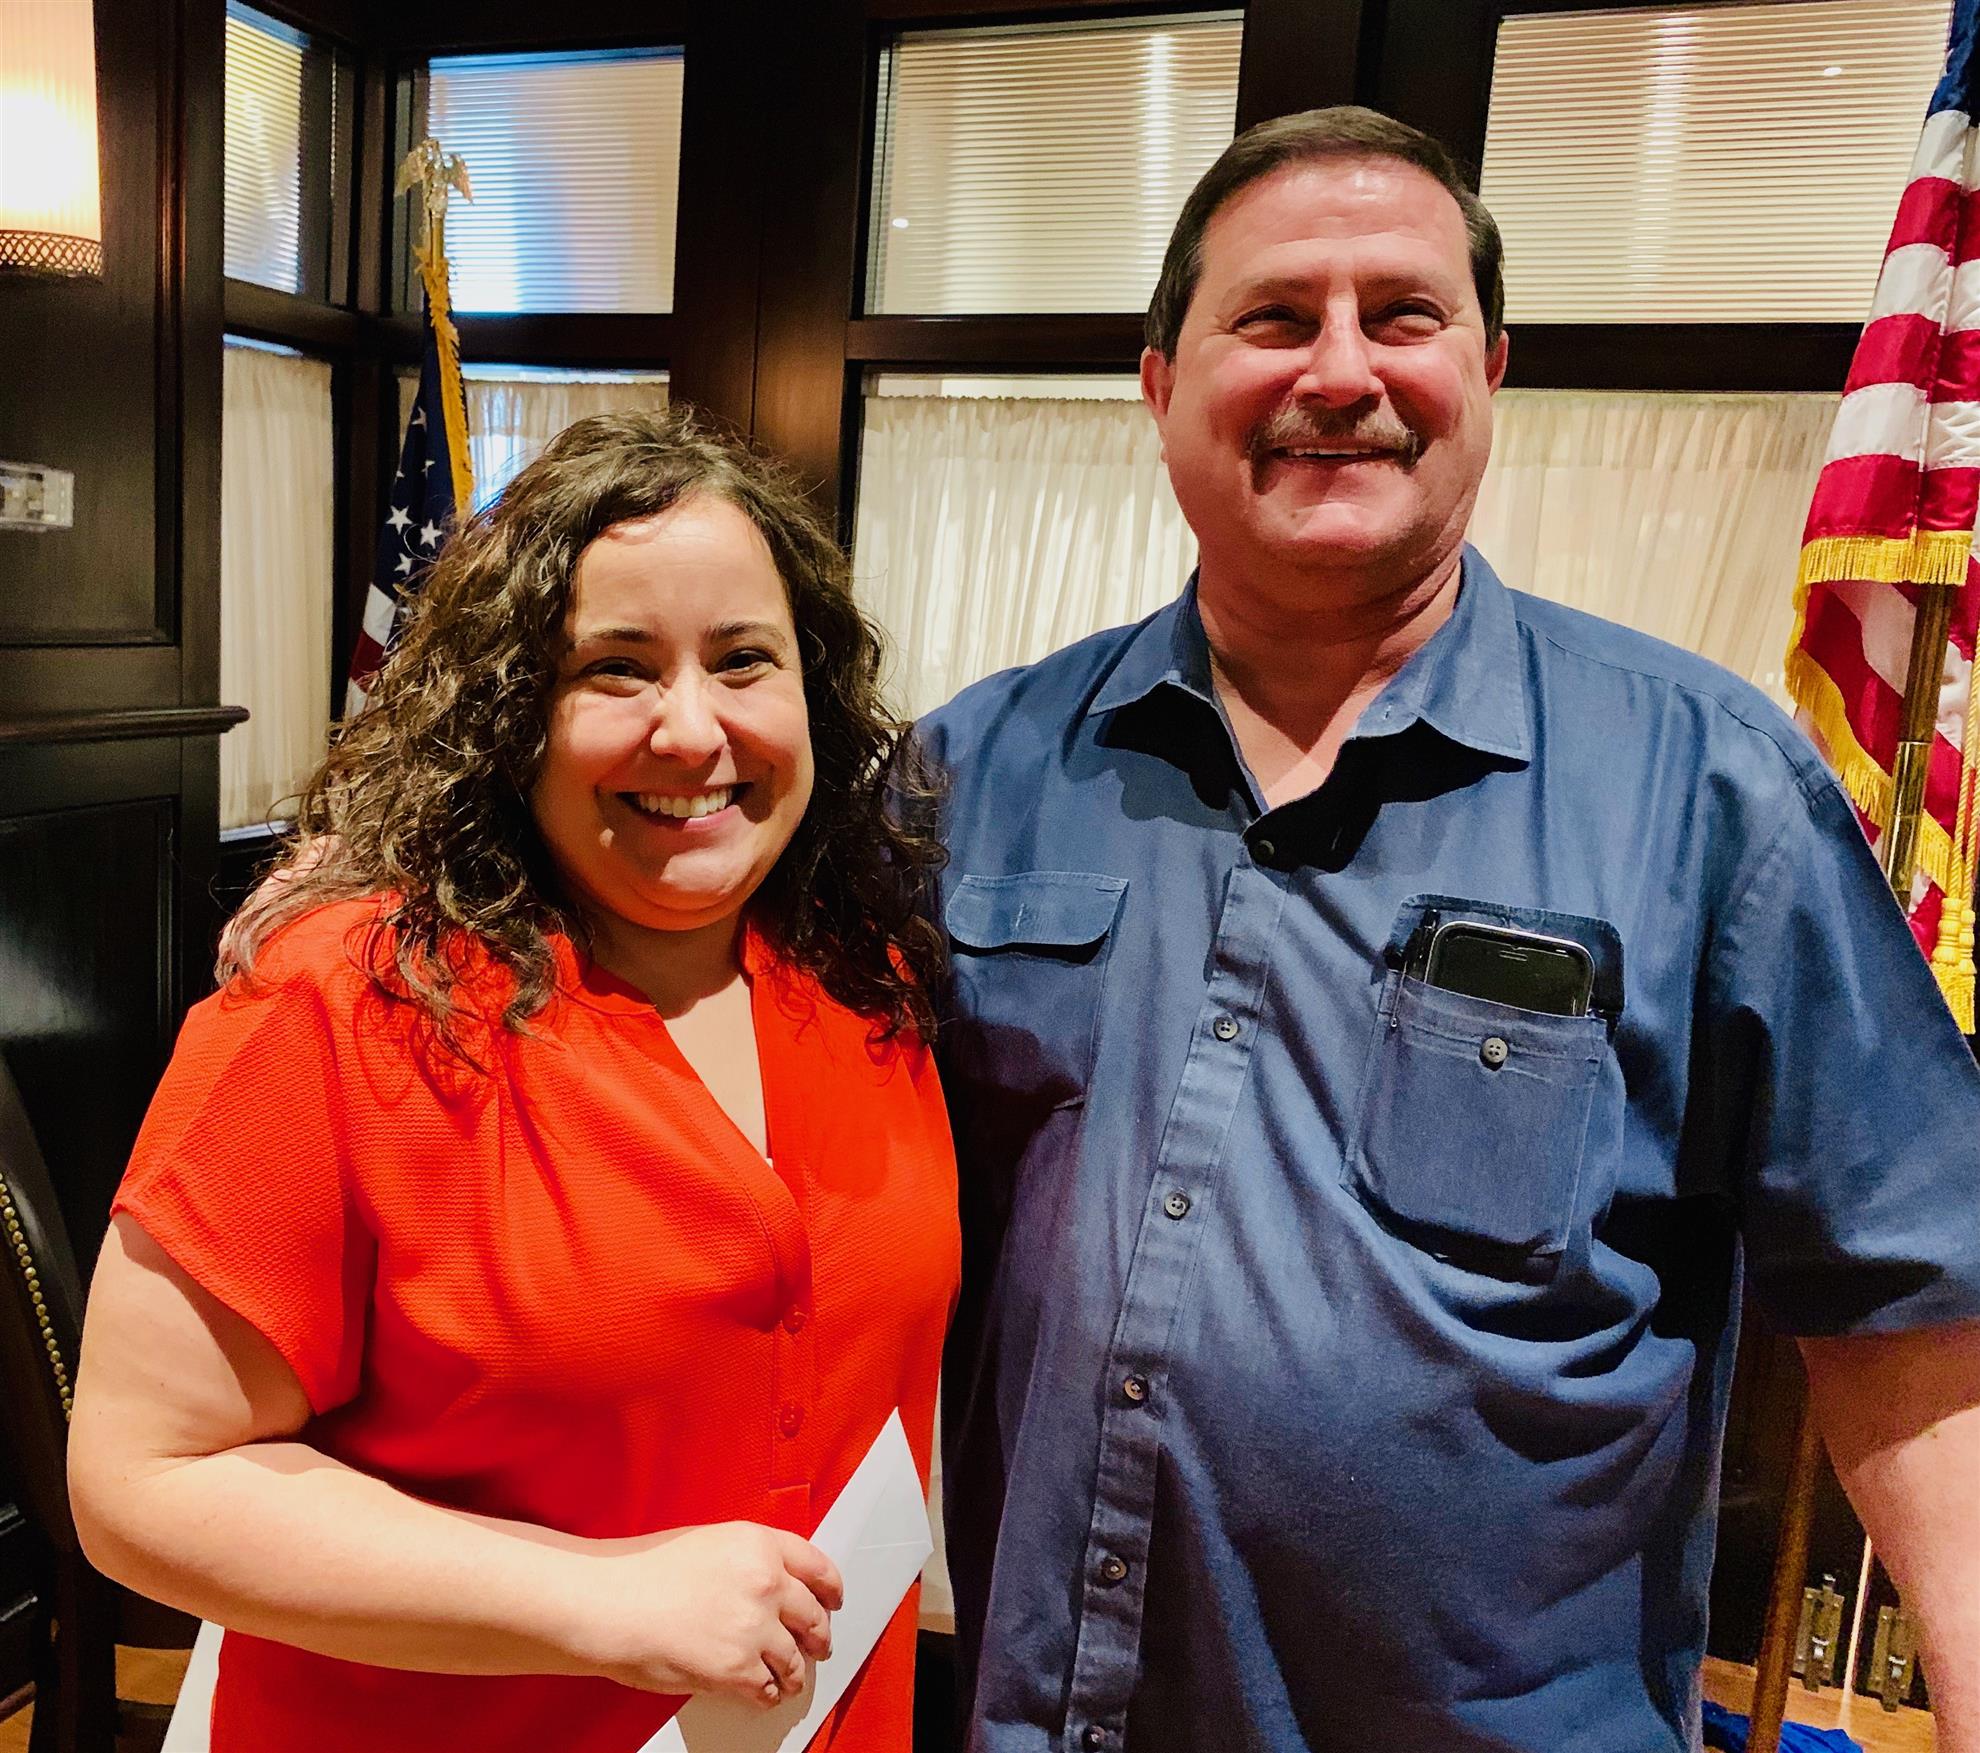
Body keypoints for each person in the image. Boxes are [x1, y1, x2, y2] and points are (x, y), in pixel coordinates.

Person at [920, 106, 1980, 1752]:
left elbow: (1915, 1312)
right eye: (1276, 316)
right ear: (1160, 384)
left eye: (1402, 315)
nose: (1341, 370)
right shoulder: (970, 776)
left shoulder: (1709, 787)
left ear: (1487, 370)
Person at [66, 410, 960, 1753]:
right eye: (616, 668)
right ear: (511, 713)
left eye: (743, 660)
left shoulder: (861, 975)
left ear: (813, 691)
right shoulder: (346, 1001)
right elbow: (141, 1481)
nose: (693, 728)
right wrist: (594, 1598)